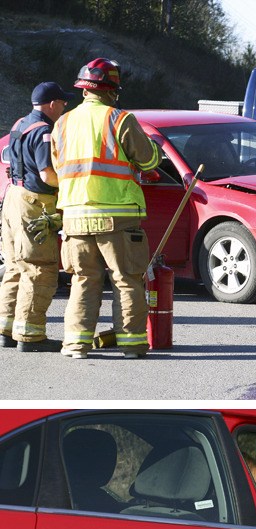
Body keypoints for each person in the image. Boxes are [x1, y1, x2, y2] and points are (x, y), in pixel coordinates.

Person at [51, 58, 160, 359]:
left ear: (83, 90)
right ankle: (132, 344)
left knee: (83, 281)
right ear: (112, 90)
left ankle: (75, 345)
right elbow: (149, 161)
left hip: (73, 217)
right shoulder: (120, 119)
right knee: (126, 280)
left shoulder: (63, 122)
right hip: (117, 215)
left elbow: (56, 165)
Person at [0, 80, 72, 352]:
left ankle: (6, 330)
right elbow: (46, 174)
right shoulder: (44, 131)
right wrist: (69, 184)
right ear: (52, 104)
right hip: (34, 203)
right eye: (63, 103)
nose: (64, 108)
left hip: (13, 199)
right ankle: (30, 336)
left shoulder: (20, 123)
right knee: (39, 269)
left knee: (16, 267)